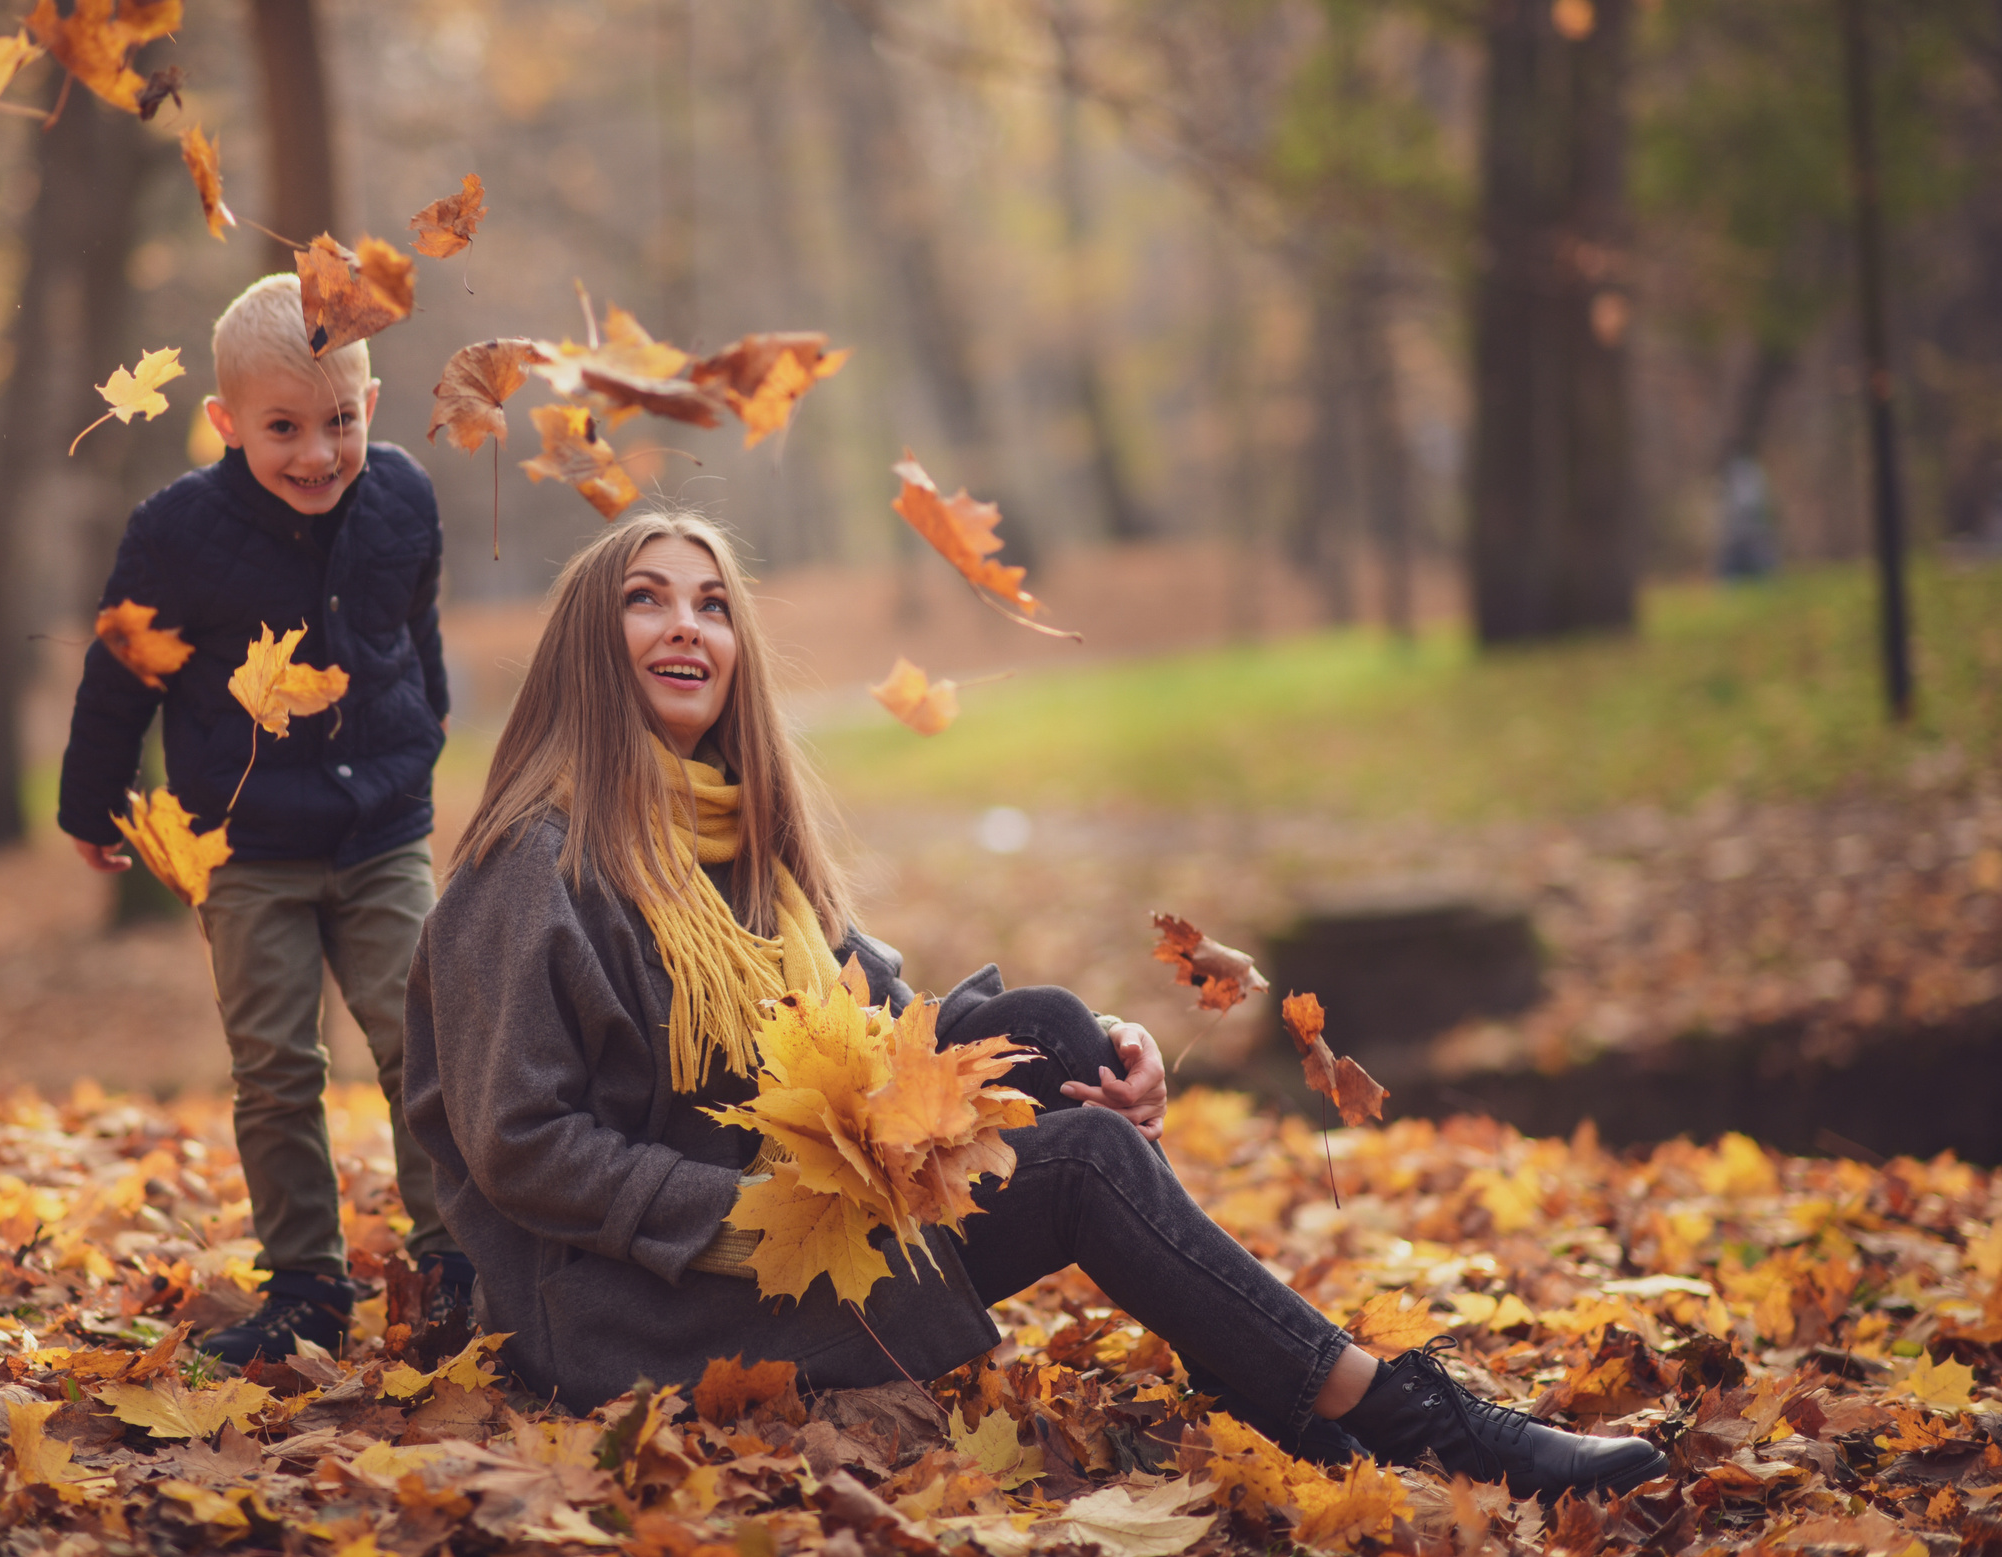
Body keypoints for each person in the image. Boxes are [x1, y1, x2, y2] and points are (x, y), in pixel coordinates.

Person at [402, 511, 1666, 1499]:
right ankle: (1381, 1407)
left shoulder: (749, 850)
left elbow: (885, 1025)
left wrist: (1109, 1044)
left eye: (712, 604)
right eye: (646, 599)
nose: (688, 625)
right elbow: (522, 1145)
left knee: (1057, 1034)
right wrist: (746, 1212)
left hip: (820, 1231)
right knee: (1084, 1167)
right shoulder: (535, 865)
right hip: (654, 1302)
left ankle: (1274, 1371)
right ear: (587, 646)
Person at [59, 273, 466, 1363]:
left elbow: (412, 623)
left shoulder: (402, 497)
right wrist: (95, 800)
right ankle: (305, 1284)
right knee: (278, 1064)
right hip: (244, 850)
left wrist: (427, 717)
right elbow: (122, 674)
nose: (315, 454)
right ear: (227, 423)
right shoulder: (176, 532)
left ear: (368, 408)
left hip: (382, 832)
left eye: (338, 421)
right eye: (282, 428)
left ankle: (454, 1258)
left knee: (417, 1039)